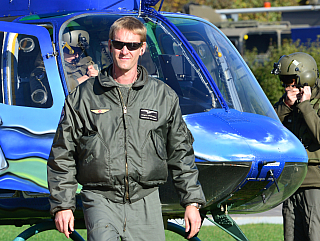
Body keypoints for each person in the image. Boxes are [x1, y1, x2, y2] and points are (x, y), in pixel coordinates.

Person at [47, 16, 205, 241]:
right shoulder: (83, 96)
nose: (125, 51)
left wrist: (191, 202)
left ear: (142, 49)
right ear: (110, 46)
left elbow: (182, 153)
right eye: (119, 44)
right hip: (100, 197)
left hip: (146, 198)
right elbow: (62, 153)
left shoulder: (163, 96)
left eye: (132, 45)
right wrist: (63, 205)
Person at [271, 52, 320, 241]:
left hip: (316, 183)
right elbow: (270, 131)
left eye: (290, 81)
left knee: (317, 236)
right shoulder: (286, 103)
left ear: (305, 78)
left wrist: (305, 106)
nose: (287, 86)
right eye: (284, 82)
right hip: (292, 183)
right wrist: (286, 105)